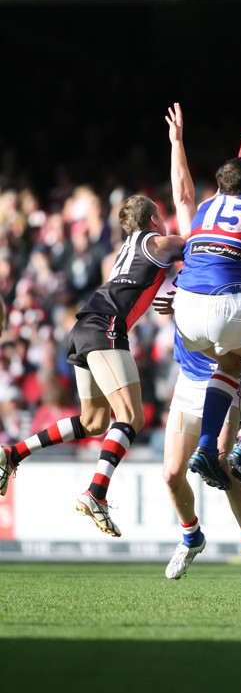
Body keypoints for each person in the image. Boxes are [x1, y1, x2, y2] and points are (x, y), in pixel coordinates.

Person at [0, 194, 185, 537]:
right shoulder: (159, 241)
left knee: (94, 420)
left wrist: (171, 289)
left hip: (84, 325)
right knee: (131, 416)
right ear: (155, 219)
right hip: (106, 327)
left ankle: (13, 453)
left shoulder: (126, 249)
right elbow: (198, 248)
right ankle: (96, 492)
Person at [159, 102, 241, 583]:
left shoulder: (205, 220)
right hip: (194, 371)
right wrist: (178, 144)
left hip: (213, 352)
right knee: (170, 474)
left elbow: (185, 194)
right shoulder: (238, 218)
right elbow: (182, 190)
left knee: (220, 467)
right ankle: (190, 537)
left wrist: (178, 143)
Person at [171, 127, 241, 493]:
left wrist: (177, 142)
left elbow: (183, 194)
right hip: (225, 305)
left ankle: (205, 445)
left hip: (183, 307)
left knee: (230, 361)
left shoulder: (203, 209)